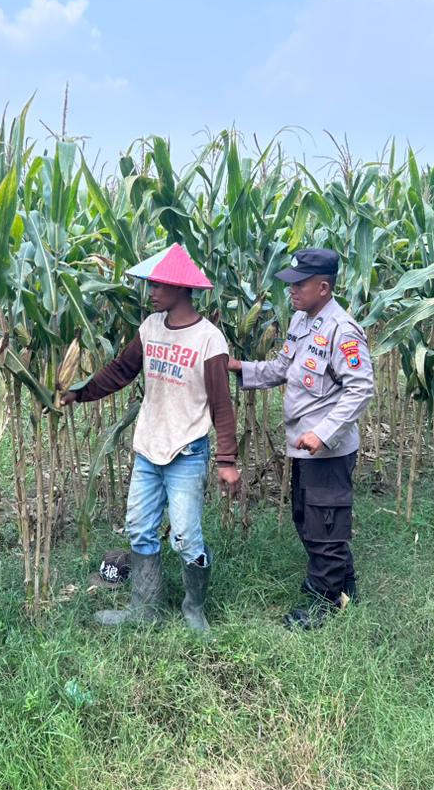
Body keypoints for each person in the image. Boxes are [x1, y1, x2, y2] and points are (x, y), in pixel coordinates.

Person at [63, 243, 240, 632]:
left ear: (179, 288)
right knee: (140, 528)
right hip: (148, 448)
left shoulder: (208, 339)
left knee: (186, 537)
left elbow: (221, 404)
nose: (151, 292)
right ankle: (145, 609)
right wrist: (80, 392)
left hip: (186, 451)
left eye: (158, 285)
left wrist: (227, 460)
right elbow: (121, 371)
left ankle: (194, 608)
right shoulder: (150, 328)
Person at [230, 248, 374, 629]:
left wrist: (323, 434)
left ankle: (326, 602)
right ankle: (344, 585)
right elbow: (283, 367)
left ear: (323, 288)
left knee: (323, 525)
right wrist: (241, 368)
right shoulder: (300, 320)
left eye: (300, 284)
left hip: (327, 451)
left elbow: (361, 389)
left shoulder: (342, 331)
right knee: (310, 518)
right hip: (303, 447)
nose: (291, 291)